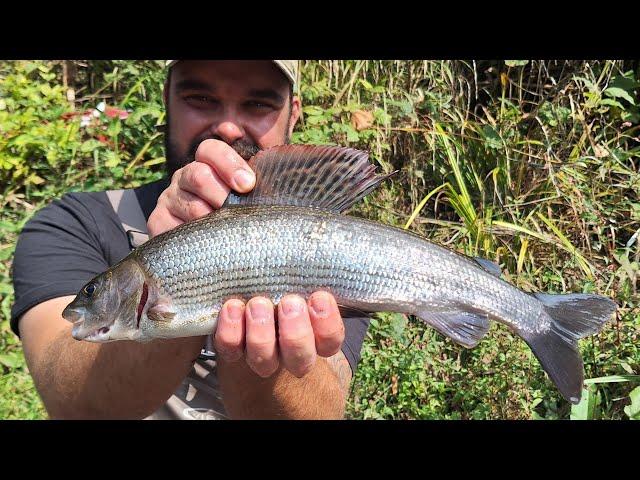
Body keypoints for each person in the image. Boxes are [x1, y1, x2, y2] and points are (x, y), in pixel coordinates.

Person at [10, 60, 371, 420]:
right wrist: (181, 274)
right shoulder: (75, 223)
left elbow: (323, 411)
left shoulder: (328, 243)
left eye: (258, 104)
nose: (228, 128)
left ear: (292, 115)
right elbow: (71, 404)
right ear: (167, 99)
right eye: (200, 97)